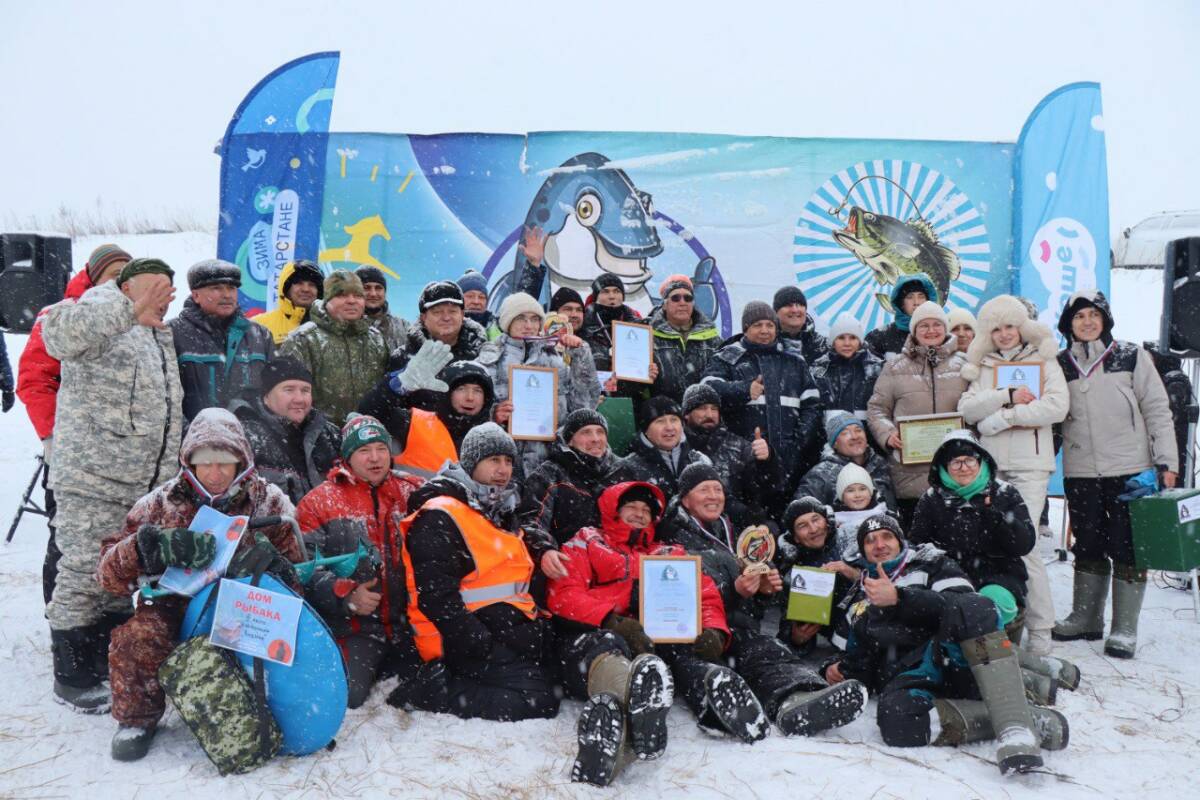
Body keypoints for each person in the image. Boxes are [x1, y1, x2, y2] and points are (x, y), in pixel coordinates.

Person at [96, 408, 301, 760]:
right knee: (136, 638)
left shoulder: (270, 501)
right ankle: (137, 719)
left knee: (285, 635)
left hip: (247, 603)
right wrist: (146, 549)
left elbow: (297, 571)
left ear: (241, 461)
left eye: (225, 462)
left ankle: (276, 707)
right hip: (174, 605)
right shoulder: (159, 502)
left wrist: (274, 567)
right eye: (205, 463)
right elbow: (106, 576)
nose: (215, 472)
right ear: (189, 461)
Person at [549, 480, 769, 778]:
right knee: (604, 644)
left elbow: (704, 595)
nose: (640, 514)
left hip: (655, 641)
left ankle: (710, 690)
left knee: (683, 648)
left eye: (646, 510)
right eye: (631, 507)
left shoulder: (670, 553)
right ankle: (631, 695)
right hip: (598, 633)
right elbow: (563, 594)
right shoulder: (587, 541)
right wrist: (611, 618)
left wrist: (713, 630)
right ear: (613, 510)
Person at [41, 257, 183, 714]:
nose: (163, 297)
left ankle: (102, 659)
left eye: (167, 290)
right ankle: (71, 674)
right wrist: (126, 310)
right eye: (153, 288)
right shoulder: (98, 307)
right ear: (126, 287)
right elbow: (56, 335)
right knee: (83, 573)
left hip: (141, 485)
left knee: (120, 575)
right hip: (93, 479)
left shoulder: (157, 333)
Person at [822, 515, 1066, 774]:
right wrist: (832, 668)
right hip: (913, 677)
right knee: (896, 721)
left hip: (955, 657)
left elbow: (964, 606)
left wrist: (900, 598)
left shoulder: (931, 563)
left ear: (900, 541)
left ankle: (1016, 728)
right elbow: (853, 658)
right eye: (870, 541)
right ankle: (1026, 717)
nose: (879, 544)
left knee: (975, 606)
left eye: (886, 536)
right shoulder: (856, 599)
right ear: (862, 552)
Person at [657, 464, 867, 738]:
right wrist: (735, 591)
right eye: (704, 489)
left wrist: (763, 591)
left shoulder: (731, 530)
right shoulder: (670, 536)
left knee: (768, 650)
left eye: (717, 489)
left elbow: (750, 596)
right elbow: (676, 599)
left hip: (736, 627)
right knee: (701, 667)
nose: (713, 495)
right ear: (685, 499)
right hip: (694, 633)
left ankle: (798, 699)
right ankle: (722, 707)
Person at [394, 424, 559, 721]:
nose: (503, 470)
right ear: (471, 463)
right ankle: (435, 690)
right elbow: (436, 598)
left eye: (508, 461)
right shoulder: (440, 514)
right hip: (456, 641)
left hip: (499, 630)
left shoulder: (496, 508)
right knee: (540, 700)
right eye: (494, 460)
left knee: (555, 676)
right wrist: (483, 644)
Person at [1051, 290, 1178, 659]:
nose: (1087, 322)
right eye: (1079, 316)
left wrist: (1166, 462)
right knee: (1088, 543)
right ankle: (1086, 618)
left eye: (1094, 315)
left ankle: (1124, 627)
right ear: (1068, 324)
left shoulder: (1130, 355)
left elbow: (1157, 409)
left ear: (1105, 319)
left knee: (1128, 546)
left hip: (1130, 469)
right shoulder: (1059, 364)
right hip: (1081, 470)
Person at [18, 243, 131, 605]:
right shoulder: (60, 316)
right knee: (69, 540)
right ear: (94, 277)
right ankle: (63, 617)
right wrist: (55, 435)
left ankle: (110, 612)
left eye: (126, 275)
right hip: (73, 456)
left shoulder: (137, 319)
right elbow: (35, 381)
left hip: (124, 455)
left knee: (122, 538)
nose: (120, 283)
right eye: (113, 275)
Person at [958, 294, 1069, 655]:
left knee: (1025, 543)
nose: (1004, 334)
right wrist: (1005, 395)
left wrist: (1005, 418)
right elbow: (968, 409)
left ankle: (1041, 629)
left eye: (1010, 326)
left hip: (1030, 466)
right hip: (992, 467)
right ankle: (1001, 625)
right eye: (997, 328)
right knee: (991, 544)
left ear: (1022, 327)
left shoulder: (1043, 359)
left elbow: (1057, 406)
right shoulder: (984, 364)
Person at [296, 414, 424, 708]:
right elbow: (304, 570)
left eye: (381, 449)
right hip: (357, 628)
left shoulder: (414, 491)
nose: (375, 458)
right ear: (347, 457)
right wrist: (345, 595)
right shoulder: (318, 502)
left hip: (411, 623)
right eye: (364, 450)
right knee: (347, 695)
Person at [907, 433, 1035, 635]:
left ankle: (994, 653)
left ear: (981, 461)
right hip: (947, 575)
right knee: (946, 612)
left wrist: (993, 515)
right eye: (956, 462)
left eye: (969, 460)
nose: (964, 467)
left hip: (999, 573)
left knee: (990, 609)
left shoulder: (1004, 492)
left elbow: (1024, 544)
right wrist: (942, 565)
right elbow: (918, 545)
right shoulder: (931, 499)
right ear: (944, 466)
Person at [701, 301, 822, 496]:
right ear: (745, 328)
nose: (765, 330)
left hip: (788, 461)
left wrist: (796, 444)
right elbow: (707, 390)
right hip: (741, 460)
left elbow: (812, 407)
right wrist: (744, 389)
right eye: (758, 325)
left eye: (770, 325)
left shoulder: (794, 361)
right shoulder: (727, 357)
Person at [866, 301, 967, 527]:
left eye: (936, 324)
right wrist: (888, 434)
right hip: (908, 475)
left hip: (955, 474)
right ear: (914, 331)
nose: (931, 330)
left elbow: (975, 409)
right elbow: (877, 408)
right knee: (915, 538)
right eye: (924, 325)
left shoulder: (964, 366)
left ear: (945, 328)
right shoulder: (895, 366)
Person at [481, 292, 600, 478]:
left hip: (548, 461)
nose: (528, 325)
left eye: (534, 319)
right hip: (503, 463)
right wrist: (493, 414)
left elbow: (583, 406)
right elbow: (470, 412)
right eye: (520, 318)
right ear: (507, 321)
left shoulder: (555, 361)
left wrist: (580, 354)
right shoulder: (490, 360)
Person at [520, 408, 635, 568]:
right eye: (586, 432)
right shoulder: (549, 474)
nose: (595, 439)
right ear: (570, 441)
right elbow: (531, 521)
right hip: (566, 566)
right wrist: (545, 550)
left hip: (617, 567)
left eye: (600, 432)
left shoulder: (623, 473)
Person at [170, 259, 275, 422]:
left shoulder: (260, 335)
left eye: (231, 288)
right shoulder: (172, 333)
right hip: (195, 435)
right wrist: (190, 432)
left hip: (251, 435)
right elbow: (165, 399)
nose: (227, 295)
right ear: (196, 295)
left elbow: (274, 393)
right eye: (216, 288)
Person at [279, 270, 389, 425]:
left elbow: (385, 393)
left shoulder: (376, 339)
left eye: (358, 296)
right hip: (318, 435)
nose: (352, 301)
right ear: (327, 301)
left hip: (368, 434)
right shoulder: (303, 339)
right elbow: (288, 400)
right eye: (342, 295)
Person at [229, 356, 341, 504]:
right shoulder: (244, 438)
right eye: (289, 390)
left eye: (305, 390)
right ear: (266, 396)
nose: (299, 399)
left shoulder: (331, 435)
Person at [360, 357, 495, 478]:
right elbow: (368, 414)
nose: (470, 397)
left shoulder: (494, 438)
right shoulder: (413, 424)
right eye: (461, 389)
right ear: (446, 393)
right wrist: (396, 386)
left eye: (477, 391)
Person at [680, 383, 780, 519]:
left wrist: (767, 460)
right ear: (686, 414)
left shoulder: (739, 446)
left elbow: (766, 487)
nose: (709, 414)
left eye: (714, 409)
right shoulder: (676, 445)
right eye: (702, 408)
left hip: (735, 524)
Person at [386, 280, 489, 411]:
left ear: (462, 315)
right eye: (437, 312)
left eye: (452, 311)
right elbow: (390, 406)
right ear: (423, 317)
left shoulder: (482, 355)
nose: (446, 318)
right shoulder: (402, 357)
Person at [774, 497, 860, 653]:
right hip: (842, 643)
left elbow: (887, 577)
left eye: (816, 519)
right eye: (802, 526)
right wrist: (796, 638)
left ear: (826, 521)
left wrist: (852, 574)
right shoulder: (796, 572)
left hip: (874, 625)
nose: (813, 529)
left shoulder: (853, 541)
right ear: (795, 537)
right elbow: (790, 622)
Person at [794, 411, 896, 510]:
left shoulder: (880, 465)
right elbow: (800, 512)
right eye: (845, 433)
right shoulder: (820, 475)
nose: (854, 436)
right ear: (835, 444)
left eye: (858, 430)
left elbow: (891, 507)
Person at [579, 273, 656, 401]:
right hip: (592, 397)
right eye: (605, 292)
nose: (612, 296)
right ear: (596, 297)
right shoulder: (583, 324)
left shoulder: (638, 327)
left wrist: (649, 370)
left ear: (623, 296)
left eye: (616, 291)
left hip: (631, 397)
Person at [621, 396, 713, 500]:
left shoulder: (699, 460)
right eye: (660, 421)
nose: (669, 427)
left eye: (674, 420)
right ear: (646, 430)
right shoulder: (629, 468)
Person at [648, 274, 720, 403]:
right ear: (664, 305)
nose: (682, 303)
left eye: (688, 298)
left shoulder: (713, 338)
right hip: (663, 410)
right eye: (675, 298)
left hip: (702, 410)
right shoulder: (647, 335)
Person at [810, 312, 883, 421]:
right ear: (833, 341)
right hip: (828, 432)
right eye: (841, 337)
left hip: (867, 431)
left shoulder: (877, 369)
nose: (847, 343)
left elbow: (884, 410)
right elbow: (811, 411)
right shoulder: (818, 370)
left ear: (860, 342)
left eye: (853, 337)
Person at [864, 274, 938, 361]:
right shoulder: (879, 337)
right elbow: (868, 367)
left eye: (921, 296)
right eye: (909, 297)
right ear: (901, 304)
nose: (916, 302)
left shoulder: (939, 335)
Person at [252, 259, 324, 344]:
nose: (306, 289)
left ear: (319, 292)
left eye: (312, 284)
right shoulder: (259, 326)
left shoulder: (330, 326)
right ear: (286, 289)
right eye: (299, 283)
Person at [831, 463, 890, 545]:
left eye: (862, 489)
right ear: (842, 496)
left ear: (870, 492)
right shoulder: (834, 522)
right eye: (850, 490)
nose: (857, 495)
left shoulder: (885, 516)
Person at [356, 266, 409, 352]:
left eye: (378, 288)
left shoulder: (403, 327)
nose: (373, 294)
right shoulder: (345, 326)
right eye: (366, 288)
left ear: (385, 292)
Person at [773, 286, 829, 365]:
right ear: (776, 312)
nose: (795, 310)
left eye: (799, 304)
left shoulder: (823, 346)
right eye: (788, 305)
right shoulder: (766, 343)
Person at [457, 269, 499, 338]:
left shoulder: (499, 329)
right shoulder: (448, 327)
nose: (476, 302)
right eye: (470, 296)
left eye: (481, 297)